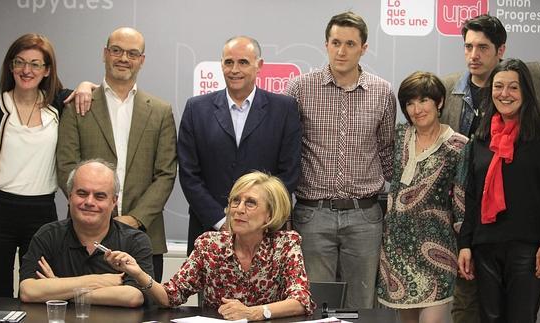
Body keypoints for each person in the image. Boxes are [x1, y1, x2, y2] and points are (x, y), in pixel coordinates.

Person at [440, 14, 540, 323]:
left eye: (513, 88)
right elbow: (472, 195)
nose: (504, 94)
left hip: (529, 247)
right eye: (498, 87)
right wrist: (465, 244)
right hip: (484, 247)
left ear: (525, 93)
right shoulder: (481, 135)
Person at [285, 11, 396, 308]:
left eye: (350, 43)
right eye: (335, 42)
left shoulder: (382, 92)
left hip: (365, 216)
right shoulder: (299, 88)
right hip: (312, 215)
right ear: (326, 44)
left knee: (360, 305)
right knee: (314, 304)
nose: (341, 51)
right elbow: (287, 148)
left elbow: (387, 150)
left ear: (364, 48)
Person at [105, 171, 314, 321]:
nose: (239, 209)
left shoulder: (285, 244)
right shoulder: (210, 245)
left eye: (250, 203)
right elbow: (170, 296)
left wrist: (255, 312)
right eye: (235, 201)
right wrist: (138, 272)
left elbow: (300, 300)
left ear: (270, 213)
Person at [56, 27, 177, 282]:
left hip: (144, 237)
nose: (124, 58)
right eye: (117, 50)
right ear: (105, 54)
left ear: (142, 60)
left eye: (133, 53)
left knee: (142, 311)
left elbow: (166, 174)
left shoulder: (160, 111)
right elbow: (66, 166)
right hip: (83, 235)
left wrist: (134, 219)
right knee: (78, 308)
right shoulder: (80, 104)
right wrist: (97, 215)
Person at [0, 33, 93, 297]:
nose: (26, 70)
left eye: (35, 64)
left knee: (39, 291)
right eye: (20, 62)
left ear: (47, 70)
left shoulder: (58, 105)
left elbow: (92, 91)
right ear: (10, 66)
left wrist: (85, 84)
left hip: (41, 211)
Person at [178, 36, 301, 254]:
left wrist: (259, 217)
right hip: (210, 232)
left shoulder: (284, 109)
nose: (235, 69)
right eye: (228, 62)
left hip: (265, 234)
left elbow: (289, 172)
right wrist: (221, 221)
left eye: (243, 62)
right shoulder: (196, 109)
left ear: (259, 65)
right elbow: (189, 174)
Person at [377, 72, 468, 322]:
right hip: (396, 251)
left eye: (424, 100)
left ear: (439, 102)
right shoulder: (398, 136)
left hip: (438, 252)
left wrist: (466, 246)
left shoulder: (459, 146)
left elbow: (461, 204)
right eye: (409, 103)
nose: (417, 109)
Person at [19, 159, 154, 307]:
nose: (89, 201)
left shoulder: (135, 240)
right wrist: (98, 281)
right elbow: (28, 291)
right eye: (82, 193)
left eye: (99, 196)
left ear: (114, 201)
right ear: (70, 197)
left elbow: (132, 297)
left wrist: (58, 288)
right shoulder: (48, 235)